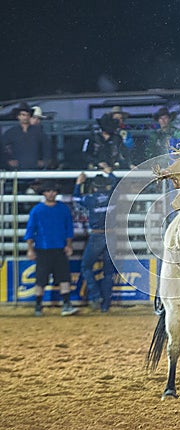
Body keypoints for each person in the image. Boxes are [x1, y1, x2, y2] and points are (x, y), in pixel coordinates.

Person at [24, 181, 79, 317]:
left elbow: (69, 229)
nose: (51, 194)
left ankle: (66, 304)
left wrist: (69, 245)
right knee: (41, 279)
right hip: (43, 248)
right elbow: (30, 230)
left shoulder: (63, 209)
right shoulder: (37, 210)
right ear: (44, 193)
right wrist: (30, 249)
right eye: (48, 191)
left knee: (64, 277)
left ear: (56, 192)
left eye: (53, 191)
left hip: (59, 248)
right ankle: (38, 305)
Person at [73, 164, 118, 312]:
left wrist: (79, 183)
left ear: (93, 187)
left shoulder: (91, 199)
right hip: (111, 235)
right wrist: (110, 172)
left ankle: (95, 296)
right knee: (108, 272)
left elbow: (76, 198)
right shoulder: (112, 195)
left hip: (97, 235)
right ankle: (105, 304)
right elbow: (119, 184)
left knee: (86, 266)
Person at [1, 102, 51, 169]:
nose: (25, 117)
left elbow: (46, 148)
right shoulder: (10, 133)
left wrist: (45, 161)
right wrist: (8, 161)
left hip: (35, 169)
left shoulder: (39, 132)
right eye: (23, 115)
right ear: (18, 116)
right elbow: (3, 149)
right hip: (17, 170)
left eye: (27, 115)